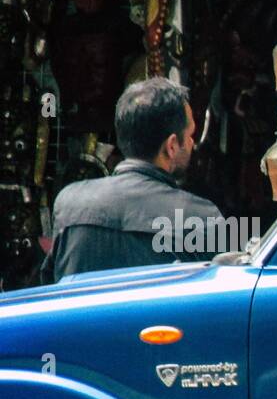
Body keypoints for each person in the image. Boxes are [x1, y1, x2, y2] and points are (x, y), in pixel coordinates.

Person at [40, 78, 223, 283]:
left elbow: (50, 285)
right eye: (190, 135)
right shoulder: (201, 216)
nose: (192, 143)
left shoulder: (69, 203)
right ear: (171, 145)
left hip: (79, 316)